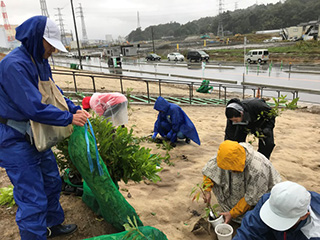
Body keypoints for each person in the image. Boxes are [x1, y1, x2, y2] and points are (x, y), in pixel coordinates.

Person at [0, 16, 90, 240]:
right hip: (15, 138)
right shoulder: (14, 65)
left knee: (51, 181)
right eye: (50, 45)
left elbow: (53, 93)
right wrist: (68, 119)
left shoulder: (38, 59)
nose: (53, 51)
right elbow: (33, 107)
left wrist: (73, 108)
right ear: (36, 39)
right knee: (32, 197)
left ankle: (52, 226)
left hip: (36, 136)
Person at [202, 140, 281, 224]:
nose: (232, 172)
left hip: (263, 189)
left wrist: (232, 213)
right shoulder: (227, 153)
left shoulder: (257, 169)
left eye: (234, 170)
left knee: (257, 215)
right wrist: (207, 190)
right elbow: (209, 170)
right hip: (244, 186)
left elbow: (252, 197)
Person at [234, 181, 320, 240]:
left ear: (304, 216)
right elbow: (250, 230)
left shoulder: (314, 233)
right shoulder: (274, 200)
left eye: (283, 221)